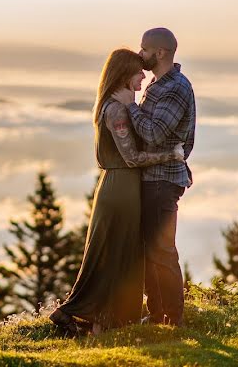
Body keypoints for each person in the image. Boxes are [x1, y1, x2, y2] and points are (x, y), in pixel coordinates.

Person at [50, 48, 184, 334]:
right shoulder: (116, 109)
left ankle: (107, 321)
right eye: (138, 72)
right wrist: (171, 155)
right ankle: (76, 312)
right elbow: (132, 158)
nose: (143, 76)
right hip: (121, 189)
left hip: (122, 187)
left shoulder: (113, 105)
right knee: (112, 254)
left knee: (120, 254)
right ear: (124, 74)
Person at [111, 27, 195, 326]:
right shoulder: (158, 85)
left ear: (160, 53)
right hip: (153, 178)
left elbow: (154, 133)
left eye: (144, 49)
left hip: (162, 181)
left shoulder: (175, 88)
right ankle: (158, 313)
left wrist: (129, 105)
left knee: (161, 250)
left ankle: (174, 318)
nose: (140, 53)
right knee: (151, 249)